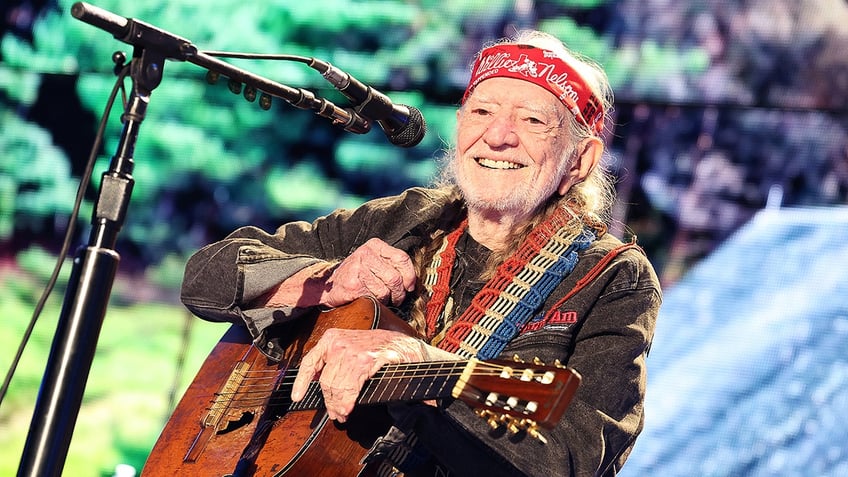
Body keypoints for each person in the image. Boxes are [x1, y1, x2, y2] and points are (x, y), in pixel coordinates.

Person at [180, 29, 661, 477]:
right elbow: (204, 277)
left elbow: (575, 453)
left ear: (580, 160)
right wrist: (327, 284)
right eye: (482, 112)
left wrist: (421, 366)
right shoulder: (403, 219)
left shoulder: (613, 276)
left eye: (533, 121)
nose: (497, 136)